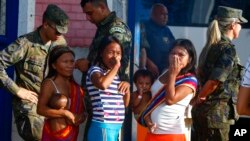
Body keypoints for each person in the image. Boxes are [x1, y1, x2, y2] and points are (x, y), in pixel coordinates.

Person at [0, 4, 69, 141]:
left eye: (62, 32)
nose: (59, 35)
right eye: (57, 31)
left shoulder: (60, 43)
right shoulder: (25, 43)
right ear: (45, 25)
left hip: (52, 100)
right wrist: (17, 90)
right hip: (31, 104)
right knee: (38, 132)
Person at [76, 0, 132, 139]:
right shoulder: (102, 26)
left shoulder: (115, 28)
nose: (88, 18)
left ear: (101, 7)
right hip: (99, 111)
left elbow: (117, 62)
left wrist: (88, 66)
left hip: (106, 114)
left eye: (90, 13)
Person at [192, 6, 248, 141]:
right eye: (239, 24)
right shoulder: (227, 49)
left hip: (204, 113)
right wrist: (201, 96)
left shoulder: (211, 46)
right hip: (216, 117)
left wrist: (199, 99)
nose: (240, 27)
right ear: (233, 25)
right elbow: (214, 81)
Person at [137, 39, 198, 141]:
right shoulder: (166, 72)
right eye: (173, 53)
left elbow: (170, 100)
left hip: (172, 135)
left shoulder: (190, 80)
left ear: (190, 59)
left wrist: (173, 74)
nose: (175, 57)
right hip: (153, 133)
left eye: (181, 55)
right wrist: (148, 120)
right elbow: (152, 99)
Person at [37, 46, 87, 141]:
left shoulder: (76, 87)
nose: (70, 65)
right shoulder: (50, 83)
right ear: (54, 65)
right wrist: (65, 113)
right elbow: (40, 109)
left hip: (72, 135)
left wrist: (81, 117)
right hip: (54, 136)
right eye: (65, 62)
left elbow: (83, 110)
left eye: (72, 61)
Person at [86, 36, 130, 141]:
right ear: (101, 53)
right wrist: (116, 66)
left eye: (118, 53)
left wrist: (127, 89)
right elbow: (103, 84)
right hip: (103, 125)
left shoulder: (116, 75)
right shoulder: (95, 71)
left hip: (116, 126)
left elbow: (125, 104)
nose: (115, 57)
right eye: (110, 52)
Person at [140, 3, 175, 78]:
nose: (165, 17)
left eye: (166, 14)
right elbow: (140, 48)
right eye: (162, 14)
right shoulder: (144, 27)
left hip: (164, 71)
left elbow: (174, 47)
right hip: (150, 71)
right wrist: (149, 63)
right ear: (153, 15)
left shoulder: (167, 30)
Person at [131, 69, 154, 141]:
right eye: (140, 83)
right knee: (146, 114)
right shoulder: (134, 94)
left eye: (147, 84)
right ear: (135, 83)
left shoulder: (150, 93)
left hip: (149, 117)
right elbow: (135, 104)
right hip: (139, 116)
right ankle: (150, 125)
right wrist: (140, 95)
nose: (144, 86)